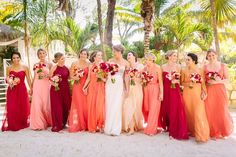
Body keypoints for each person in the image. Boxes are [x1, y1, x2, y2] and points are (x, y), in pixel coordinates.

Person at [159, 50, 188, 140]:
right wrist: (161, 92)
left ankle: (173, 129)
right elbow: (161, 80)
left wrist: (177, 81)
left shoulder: (178, 67)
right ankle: (167, 125)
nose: (175, 57)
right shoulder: (162, 67)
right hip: (166, 89)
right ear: (169, 56)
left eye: (176, 56)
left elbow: (181, 80)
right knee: (166, 108)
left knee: (175, 108)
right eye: (173, 56)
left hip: (175, 90)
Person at [204, 49, 233, 139]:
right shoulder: (204, 67)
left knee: (221, 110)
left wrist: (217, 81)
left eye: (213, 55)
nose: (211, 57)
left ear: (216, 55)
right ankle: (212, 131)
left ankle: (222, 131)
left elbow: (228, 80)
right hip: (209, 91)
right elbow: (203, 81)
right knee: (210, 110)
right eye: (209, 56)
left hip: (220, 90)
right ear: (207, 57)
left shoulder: (223, 66)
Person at [181, 53, 209, 142]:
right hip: (187, 93)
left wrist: (204, 92)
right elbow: (181, 83)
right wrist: (188, 84)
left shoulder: (200, 70)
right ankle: (192, 131)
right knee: (189, 113)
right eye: (186, 60)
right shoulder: (183, 70)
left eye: (188, 60)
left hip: (197, 93)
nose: (186, 61)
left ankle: (201, 136)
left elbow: (203, 83)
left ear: (193, 61)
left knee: (199, 113)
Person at [2, 52, 31, 131]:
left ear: (20, 58)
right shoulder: (9, 68)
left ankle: (21, 122)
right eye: (14, 58)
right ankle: (12, 124)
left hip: (22, 89)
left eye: (17, 57)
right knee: (11, 107)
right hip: (12, 90)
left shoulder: (25, 67)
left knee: (22, 106)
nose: (16, 59)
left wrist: (31, 88)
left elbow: (28, 79)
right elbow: (7, 79)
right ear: (12, 59)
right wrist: (10, 81)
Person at [104, 45, 129, 136]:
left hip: (119, 85)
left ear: (120, 52)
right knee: (109, 104)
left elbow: (126, 77)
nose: (113, 53)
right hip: (110, 84)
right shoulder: (110, 61)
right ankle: (108, 127)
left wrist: (127, 89)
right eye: (113, 51)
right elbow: (106, 74)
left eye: (115, 51)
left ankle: (115, 128)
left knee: (117, 105)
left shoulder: (126, 63)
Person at [83, 50, 105, 133]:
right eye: (99, 55)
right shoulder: (90, 66)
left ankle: (100, 125)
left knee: (100, 107)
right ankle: (92, 126)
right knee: (91, 106)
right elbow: (88, 78)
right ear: (94, 57)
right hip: (92, 87)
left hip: (100, 87)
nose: (100, 57)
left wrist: (100, 76)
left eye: (101, 55)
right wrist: (84, 87)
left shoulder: (104, 65)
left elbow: (106, 79)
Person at [30, 49, 52, 130]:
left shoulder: (50, 64)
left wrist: (45, 76)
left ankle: (48, 121)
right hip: (37, 85)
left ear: (46, 54)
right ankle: (39, 124)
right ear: (38, 55)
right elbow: (34, 76)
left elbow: (52, 76)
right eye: (40, 53)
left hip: (46, 86)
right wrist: (31, 87)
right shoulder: (35, 64)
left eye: (43, 53)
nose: (42, 55)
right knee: (37, 104)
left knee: (46, 105)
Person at [68, 49, 90, 132]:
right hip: (77, 85)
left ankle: (85, 123)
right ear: (79, 54)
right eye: (82, 53)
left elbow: (89, 77)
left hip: (86, 86)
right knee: (77, 104)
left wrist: (86, 86)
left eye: (85, 54)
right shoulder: (74, 63)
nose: (83, 55)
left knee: (85, 104)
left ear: (87, 55)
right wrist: (75, 77)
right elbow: (70, 76)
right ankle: (77, 124)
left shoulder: (89, 64)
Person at [122, 51, 144, 135]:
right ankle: (131, 128)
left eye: (129, 55)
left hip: (138, 89)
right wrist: (127, 90)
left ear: (134, 56)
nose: (128, 56)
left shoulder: (140, 66)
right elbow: (126, 80)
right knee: (129, 107)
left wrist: (135, 78)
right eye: (127, 55)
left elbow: (142, 80)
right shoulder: (127, 67)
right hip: (130, 89)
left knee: (136, 108)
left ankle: (135, 126)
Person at [142, 52, 163, 136]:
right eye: (146, 59)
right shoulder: (144, 68)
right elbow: (142, 80)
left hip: (155, 89)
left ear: (152, 60)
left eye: (148, 60)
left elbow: (160, 81)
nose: (146, 61)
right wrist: (143, 81)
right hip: (146, 89)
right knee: (148, 108)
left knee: (154, 108)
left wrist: (161, 93)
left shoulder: (157, 68)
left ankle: (151, 129)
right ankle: (153, 125)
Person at [50, 52, 71, 132]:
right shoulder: (54, 68)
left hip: (65, 89)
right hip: (55, 90)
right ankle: (57, 125)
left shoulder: (67, 68)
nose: (63, 60)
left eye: (64, 58)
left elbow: (69, 78)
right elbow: (50, 78)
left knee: (65, 107)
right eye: (62, 59)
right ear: (57, 59)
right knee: (57, 107)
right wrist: (54, 82)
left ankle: (63, 123)